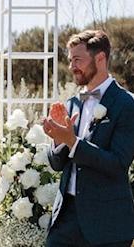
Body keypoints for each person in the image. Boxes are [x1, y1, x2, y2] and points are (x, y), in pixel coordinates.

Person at [43, 30, 134, 247]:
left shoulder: (127, 104)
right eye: (70, 60)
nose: (72, 66)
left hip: (107, 224)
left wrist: (73, 142)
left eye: (78, 59)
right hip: (66, 220)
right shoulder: (71, 104)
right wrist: (57, 140)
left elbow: (118, 164)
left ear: (100, 58)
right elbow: (57, 164)